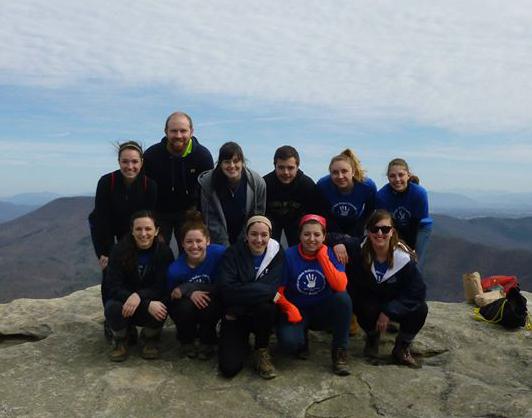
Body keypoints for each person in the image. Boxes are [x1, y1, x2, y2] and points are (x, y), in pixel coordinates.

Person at [330, 209, 428, 368]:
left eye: (385, 229)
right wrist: (338, 243)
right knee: (361, 304)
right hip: (370, 305)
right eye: (374, 229)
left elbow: (417, 291)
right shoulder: (358, 248)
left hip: (395, 303)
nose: (380, 233)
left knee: (420, 309)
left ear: (392, 232)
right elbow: (327, 236)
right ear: (368, 232)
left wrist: (390, 311)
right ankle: (372, 336)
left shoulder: (403, 259)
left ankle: (402, 346)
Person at [276, 214, 352, 376]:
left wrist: (323, 256)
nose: (311, 239)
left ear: (324, 236)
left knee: (343, 298)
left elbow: (340, 285)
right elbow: (278, 291)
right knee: (289, 344)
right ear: (299, 235)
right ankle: (301, 338)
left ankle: (340, 350)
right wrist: (288, 307)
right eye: (306, 234)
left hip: (322, 310)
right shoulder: (288, 256)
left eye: (317, 235)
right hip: (297, 310)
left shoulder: (332, 254)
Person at [89, 140, 157, 306]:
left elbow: (149, 219)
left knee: (133, 265)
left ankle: (134, 307)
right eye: (125, 161)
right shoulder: (107, 182)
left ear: (141, 162)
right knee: (109, 266)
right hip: (106, 227)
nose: (130, 166)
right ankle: (110, 311)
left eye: (134, 161)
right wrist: (104, 252)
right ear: (119, 162)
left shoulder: (149, 186)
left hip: (135, 229)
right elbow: (101, 219)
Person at [217, 216, 284, 379]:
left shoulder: (276, 253)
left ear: (270, 236)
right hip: (236, 316)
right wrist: (266, 293)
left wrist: (246, 292)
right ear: (246, 235)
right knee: (229, 368)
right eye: (254, 234)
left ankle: (261, 349)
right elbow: (226, 290)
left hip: (257, 314)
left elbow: (273, 286)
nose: (259, 240)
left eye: (264, 235)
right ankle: (242, 342)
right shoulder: (232, 253)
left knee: (267, 307)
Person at [104, 211, 174, 362]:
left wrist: (139, 297)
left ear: (156, 231)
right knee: (112, 308)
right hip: (125, 302)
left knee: (161, 306)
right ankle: (121, 339)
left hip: (148, 301)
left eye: (148, 229)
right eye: (139, 229)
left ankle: (150, 337)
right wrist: (133, 298)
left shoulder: (164, 253)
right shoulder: (119, 250)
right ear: (132, 230)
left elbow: (161, 286)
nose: (143, 234)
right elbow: (113, 286)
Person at [143, 112, 214, 244]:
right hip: (159, 212)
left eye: (183, 131)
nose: (178, 135)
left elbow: (208, 192)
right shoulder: (152, 155)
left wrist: (199, 217)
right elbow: (143, 189)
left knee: (190, 251)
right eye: (174, 131)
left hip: (190, 213)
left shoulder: (202, 156)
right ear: (166, 131)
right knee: (157, 251)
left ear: (191, 131)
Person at [167, 210, 225, 360]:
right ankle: (186, 340)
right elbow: (173, 296)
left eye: (199, 241)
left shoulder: (220, 254)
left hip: (213, 300)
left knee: (208, 304)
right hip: (187, 307)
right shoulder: (175, 269)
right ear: (182, 244)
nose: (194, 246)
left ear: (208, 241)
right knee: (183, 307)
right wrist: (188, 294)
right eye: (189, 242)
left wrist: (189, 287)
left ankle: (208, 341)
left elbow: (224, 285)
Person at [198, 142, 266, 246]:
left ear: (243, 162)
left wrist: (241, 243)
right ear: (220, 163)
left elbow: (257, 215)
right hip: (217, 239)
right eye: (227, 162)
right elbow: (210, 219)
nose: (232, 166)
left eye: (236, 161)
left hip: (246, 240)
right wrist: (225, 246)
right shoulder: (208, 183)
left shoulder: (257, 183)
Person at [376, 158, 432, 270]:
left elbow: (415, 222)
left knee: (415, 261)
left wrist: (409, 248)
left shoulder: (419, 193)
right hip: (395, 228)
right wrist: (398, 243)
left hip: (420, 227)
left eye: (401, 175)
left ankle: (415, 284)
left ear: (408, 175)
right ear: (388, 178)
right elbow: (386, 223)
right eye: (392, 176)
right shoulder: (382, 196)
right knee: (394, 260)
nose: (397, 179)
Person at [264, 145, 324, 247]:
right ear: (275, 166)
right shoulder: (265, 183)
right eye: (281, 167)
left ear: (297, 167)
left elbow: (315, 215)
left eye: (290, 168)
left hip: (298, 224)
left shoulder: (307, 185)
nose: (286, 172)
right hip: (272, 222)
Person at [317, 149, 376, 239]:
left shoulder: (367, 186)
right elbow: (323, 212)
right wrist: (338, 234)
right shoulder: (323, 185)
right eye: (335, 172)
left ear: (353, 172)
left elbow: (369, 211)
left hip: (357, 224)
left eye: (344, 171)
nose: (340, 176)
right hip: (332, 225)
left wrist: (356, 231)